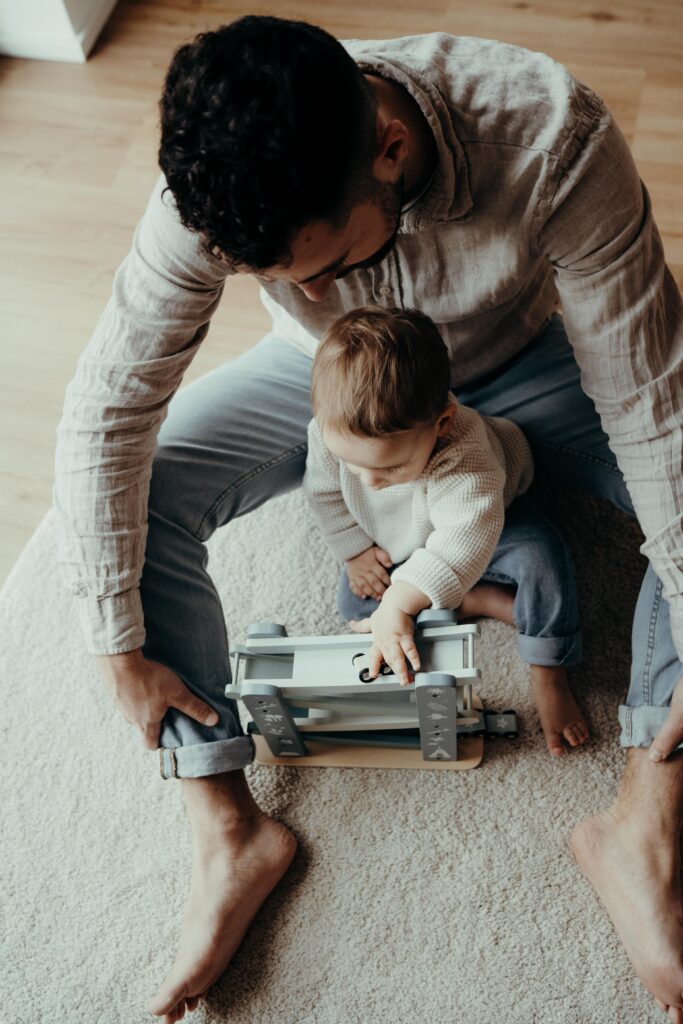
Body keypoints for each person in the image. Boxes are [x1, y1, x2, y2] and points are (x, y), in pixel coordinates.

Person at [53, 15, 683, 1024]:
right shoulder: (213, 187)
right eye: (277, 280)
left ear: (389, 150)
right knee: (138, 498)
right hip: (330, 387)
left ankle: (642, 819)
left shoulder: (549, 136)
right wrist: (113, 641)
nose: (305, 291)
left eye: (319, 263)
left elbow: (656, 412)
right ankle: (227, 823)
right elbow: (106, 404)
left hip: (525, 368)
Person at [302, 305, 589, 757]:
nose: (369, 482)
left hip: (490, 519)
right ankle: (476, 599)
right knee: (355, 603)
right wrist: (354, 550)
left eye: (390, 466)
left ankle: (549, 672)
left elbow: (462, 542)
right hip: (401, 536)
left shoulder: (464, 453)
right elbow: (323, 496)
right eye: (351, 465)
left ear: (442, 423)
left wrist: (401, 599)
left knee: (544, 562)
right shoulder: (328, 436)